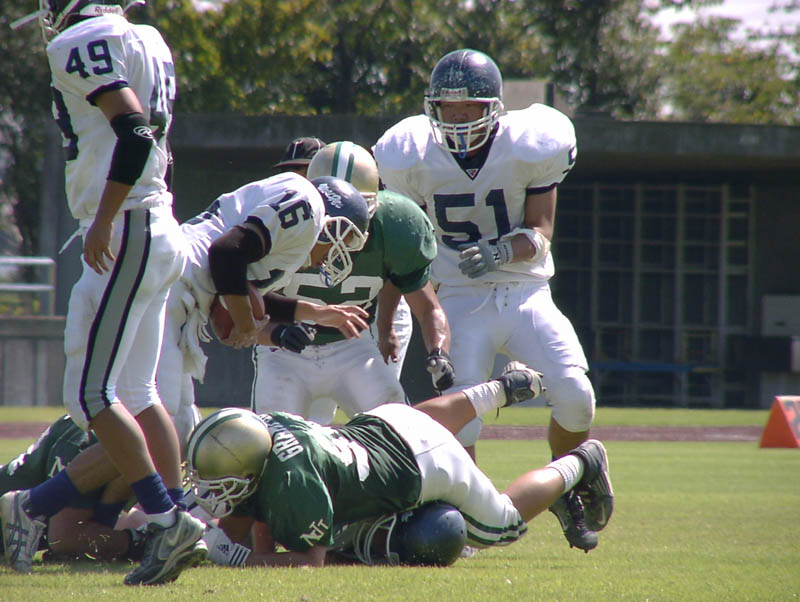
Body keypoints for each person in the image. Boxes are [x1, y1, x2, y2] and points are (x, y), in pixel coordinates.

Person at [4, 0, 207, 584]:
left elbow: (136, 132)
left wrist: (103, 218)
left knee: (95, 394)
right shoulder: (147, 38)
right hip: (157, 224)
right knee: (140, 393)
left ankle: (167, 520)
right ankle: (172, 516)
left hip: (128, 227)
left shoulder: (77, 40)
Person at [373, 48, 599, 552]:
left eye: (468, 108)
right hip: (457, 296)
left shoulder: (530, 144)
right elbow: (403, 248)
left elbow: (541, 230)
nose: (457, 119)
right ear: (432, 108)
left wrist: (502, 250)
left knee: (576, 396)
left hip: (524, 290)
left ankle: (568, 487)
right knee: (463, 418)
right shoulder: (409, 154)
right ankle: (469, 518)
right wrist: (389, 317)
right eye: (448, 109)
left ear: (493, 107)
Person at [184, 361, 614, 568]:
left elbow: (310, 560)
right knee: (416, 422)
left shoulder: (293, 481)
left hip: (424, 464)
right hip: (385, 423)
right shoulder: (266, 429)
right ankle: (499, 389)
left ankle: (580, 462)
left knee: (503, 524)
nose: (208, 486)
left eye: (216, 477)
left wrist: (240, 561)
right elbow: (254, 514)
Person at [251, 141, 453, 420]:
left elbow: (428, 306)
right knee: (276, 436)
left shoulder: (395, 224)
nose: (340, 222)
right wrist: (276, 333)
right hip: (282, 352)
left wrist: (439, 352)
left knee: (397, 426)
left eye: (356, 206)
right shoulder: (280, 221)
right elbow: (242, 307)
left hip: (351, 346)